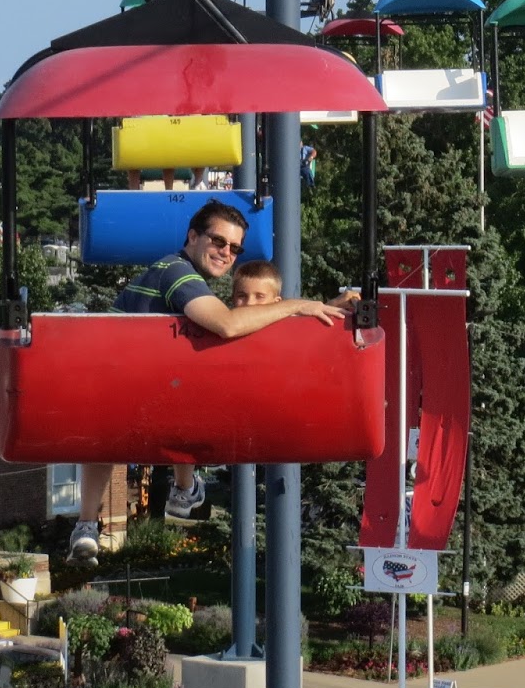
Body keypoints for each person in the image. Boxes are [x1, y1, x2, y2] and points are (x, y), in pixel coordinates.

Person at [70, 201, 351, 560]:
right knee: (198, 385)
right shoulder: (178, 274)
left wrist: (324, 307)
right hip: (138, 395)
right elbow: (230, 325)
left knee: (178, 384)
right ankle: (184, 489)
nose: (226, 252)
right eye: (218, 241)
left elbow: (256, 332)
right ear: (192, 236)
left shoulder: (173, 273)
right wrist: (298, 305)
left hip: (115, 395)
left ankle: (90, 523)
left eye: (235, 248)